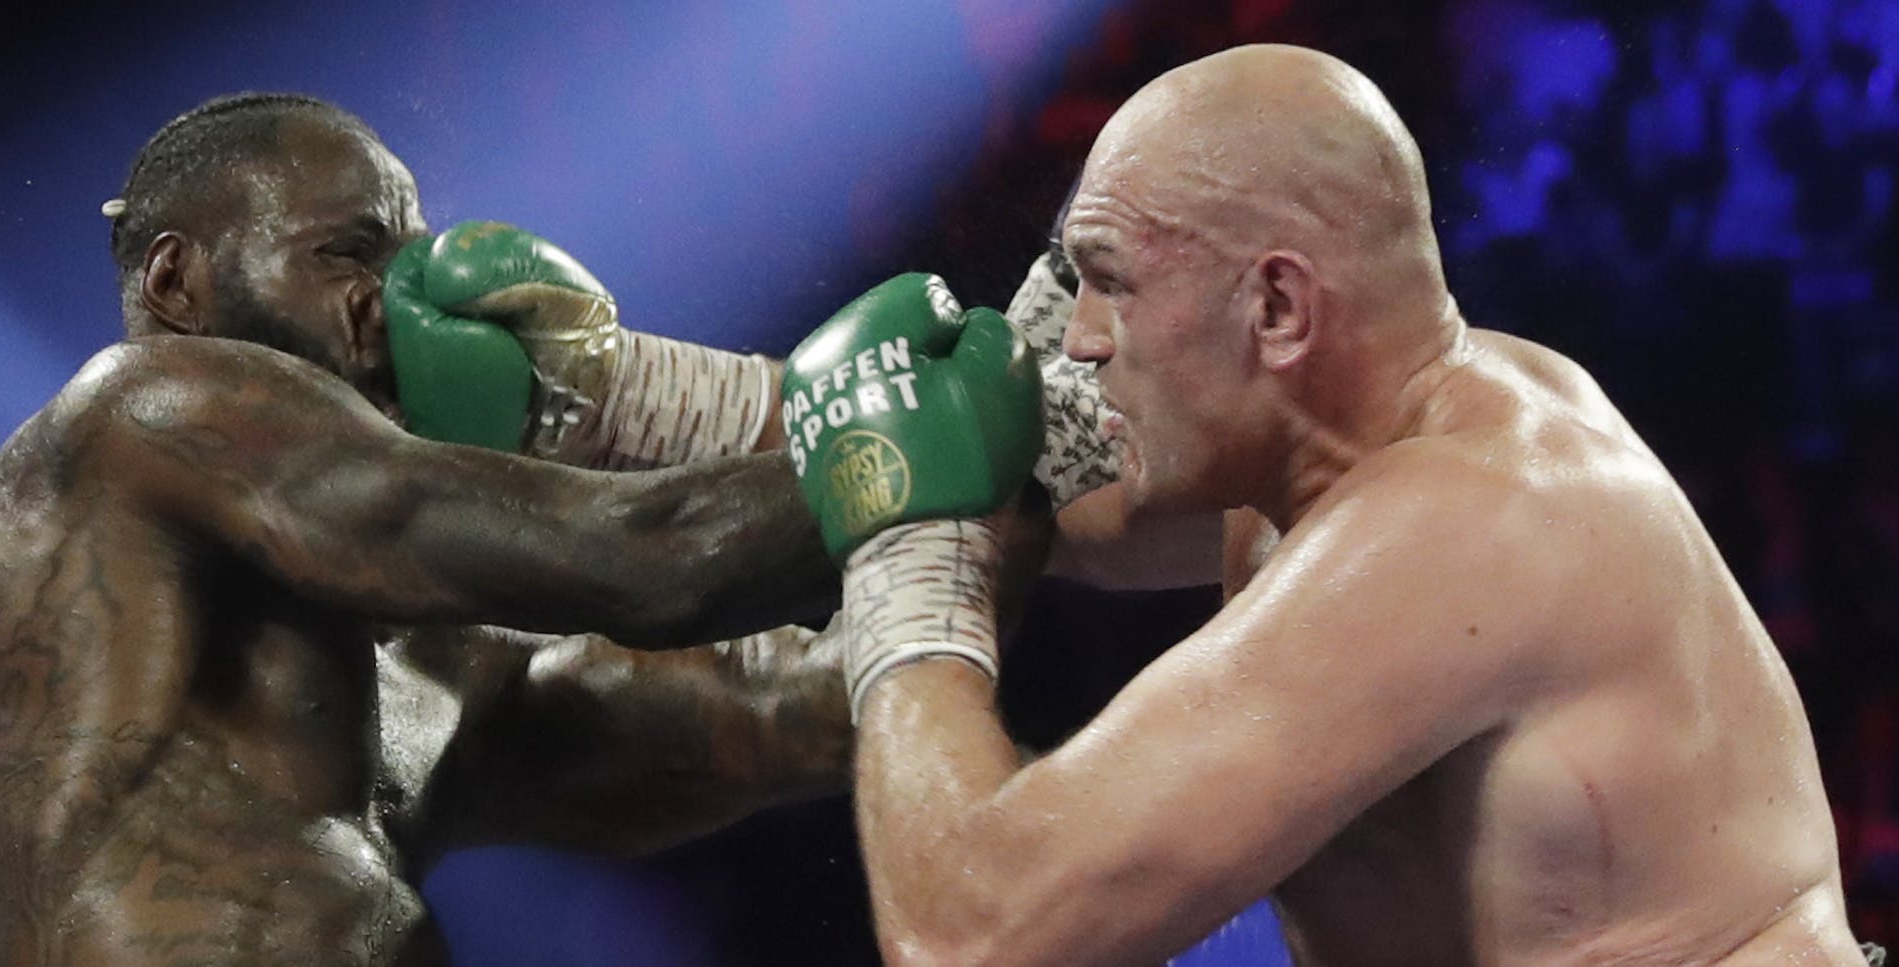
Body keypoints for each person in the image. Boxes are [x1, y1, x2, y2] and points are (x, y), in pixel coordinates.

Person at [785, 44, 1880, 965]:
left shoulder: (1465, 521)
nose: (1076, 338)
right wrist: (640, 391)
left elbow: (976, 937)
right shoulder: (1332, 448)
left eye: (1111, 280)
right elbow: (964, 473)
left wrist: (906, 561)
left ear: (1275, 305)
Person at [0, 92, 861, 966]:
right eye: (349, 253)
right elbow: (641, 558)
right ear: (178, 283)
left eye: (411, 261)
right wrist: (676, 401)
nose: (408, 306)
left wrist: (991, 484)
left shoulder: (430, 656)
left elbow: (808, 707)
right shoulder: (137, 409)